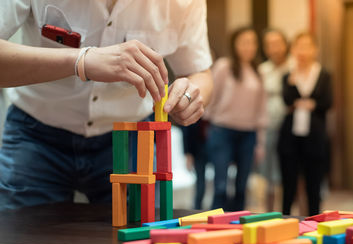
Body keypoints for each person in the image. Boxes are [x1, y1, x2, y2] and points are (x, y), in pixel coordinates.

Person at [0, 0, 213, 210]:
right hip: (36, 135)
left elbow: (199, 72)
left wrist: (191, 95)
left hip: (134, 140)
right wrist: (81, 60)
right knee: (21, 238)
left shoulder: (185, 3)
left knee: (137, 237)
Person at [206, 27, 267, 211]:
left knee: (241, 187)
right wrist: (207, 120)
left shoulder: (258, 71)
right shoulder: (224, 66)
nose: (249, 47)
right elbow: (211, 94)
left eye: (252, 42)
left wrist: (261, 142)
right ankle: (214, 226)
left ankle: (237, 228)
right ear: (235, 44)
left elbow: (262, 109)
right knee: (221, 186)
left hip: (248, 134)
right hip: (222, 130)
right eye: (244, 42)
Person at [278, 32, 333, 216]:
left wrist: (312, 104)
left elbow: (328, 102)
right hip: (290, 137)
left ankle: (314, 221)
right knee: (288, 185)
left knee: (313, 185)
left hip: (315, 137)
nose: (302, 51)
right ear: (293, 50)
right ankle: (284, 219)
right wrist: (293, 85)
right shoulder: (288, 75)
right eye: (298, 46)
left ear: (315, 50)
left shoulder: (323, 74)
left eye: (307, 46)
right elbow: (287, 100)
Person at [258, 29, 290, 212]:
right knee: (268, 174)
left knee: (292, 173)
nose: (274, 48)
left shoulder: (294, 66)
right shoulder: (263, 70)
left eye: (278, 43)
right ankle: (270, 214)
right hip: (268, 125)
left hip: (290, 127)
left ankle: (299, 215)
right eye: (269, 44)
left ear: (286, 44)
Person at [181, 119, 209, 210]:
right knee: (200, 183)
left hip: (213, 148)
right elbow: (187, 133)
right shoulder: (193, 115)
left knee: (220, 184)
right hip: (198, 150)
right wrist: (188, 154)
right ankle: (197, 208)